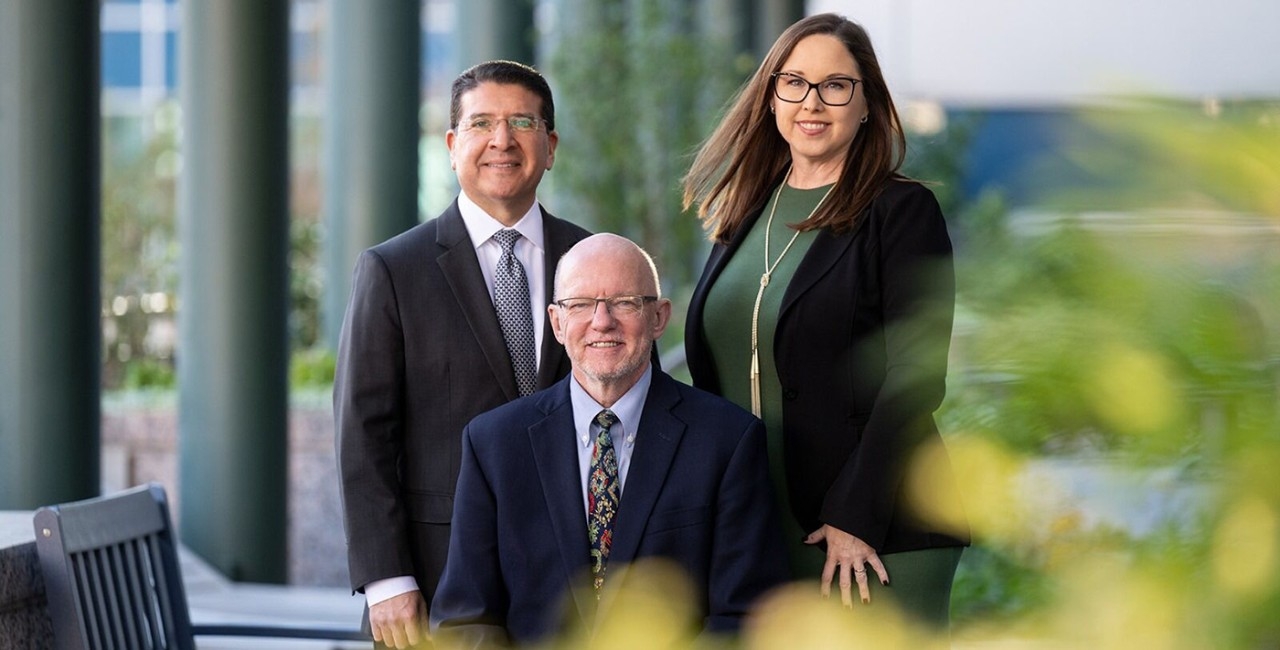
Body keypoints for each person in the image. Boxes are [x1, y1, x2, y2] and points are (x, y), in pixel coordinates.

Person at [681, 13, 970, 633]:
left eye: (837, 85)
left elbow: (916, 377)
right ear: (772, 96)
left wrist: (854, 514)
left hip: (872, 527)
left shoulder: (901, 211)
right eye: (795, 83)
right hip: (758, 517)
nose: (813, 102)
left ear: (867, 104)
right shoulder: (744, 210)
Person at [335, 60, 591, 649]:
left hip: (576, 582)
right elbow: (362, 433)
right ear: (453, 146)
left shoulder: (593, 259)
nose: (502, 140)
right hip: (435, 581)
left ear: (549, 147)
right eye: (481, 124)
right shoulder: (393, 270)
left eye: (522, 122)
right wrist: (385, 578)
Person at [429, 234, 790, 647]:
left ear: (658, 317)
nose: (602, 321)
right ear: (557, 322)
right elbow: (464, 621)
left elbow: (744, 618)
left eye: (624, 302)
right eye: (580, 304)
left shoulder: (728, 441)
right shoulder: (493, 444)